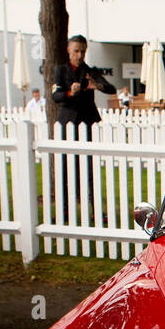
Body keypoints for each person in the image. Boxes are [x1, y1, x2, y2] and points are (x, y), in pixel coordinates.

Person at [52, 35, 116, 217]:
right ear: (68, 51)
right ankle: (64, 210)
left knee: (90, 170)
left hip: (87, 123)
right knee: (65, 168)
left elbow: (110, 88)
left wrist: (96, 85)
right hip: (68, 125)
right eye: (76, 51)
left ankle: (96, 210)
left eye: (82, 51)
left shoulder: (90, 71)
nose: (79, 55)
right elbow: (55, 97)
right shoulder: (61, 71)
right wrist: (70, 93)